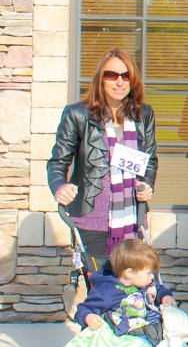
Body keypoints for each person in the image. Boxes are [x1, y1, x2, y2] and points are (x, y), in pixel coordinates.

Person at [48, 48, 158, 268]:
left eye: (125, 76)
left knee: (135, 289)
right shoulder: (78, 114)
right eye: (111, 75)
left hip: (132, 220)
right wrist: (60, 186)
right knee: (102, 289)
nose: (119, 82)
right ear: (101, 78)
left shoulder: (143, 115)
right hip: (92, 219)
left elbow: (150, 160)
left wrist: (147, 183)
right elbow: (58, 161)